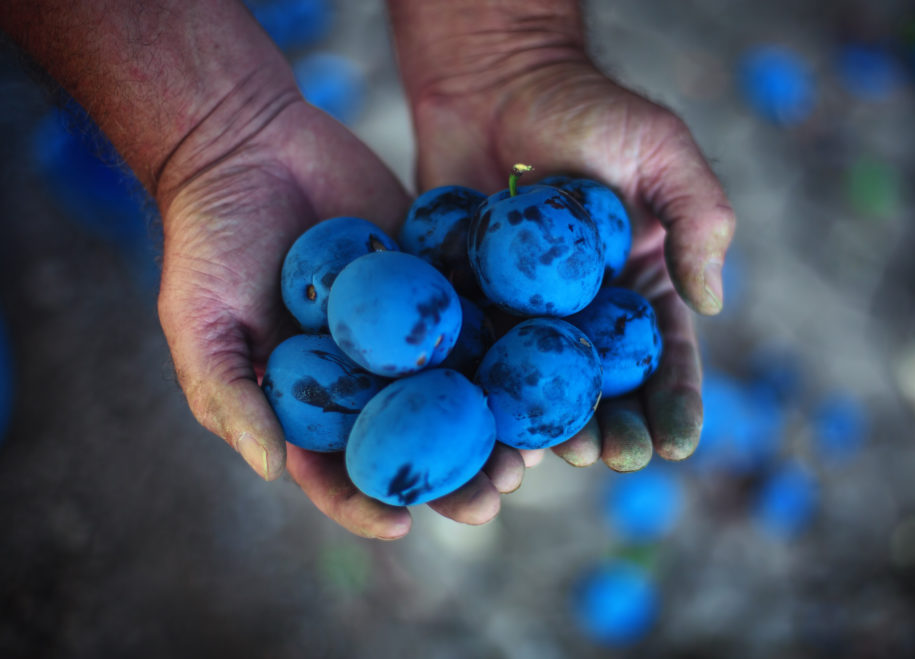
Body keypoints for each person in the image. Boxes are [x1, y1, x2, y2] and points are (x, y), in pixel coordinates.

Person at [0, 0, 735, 539]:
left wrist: (509, 47)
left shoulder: (464, 314)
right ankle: (106, 134)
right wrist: (198, 139)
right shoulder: (457, 314)